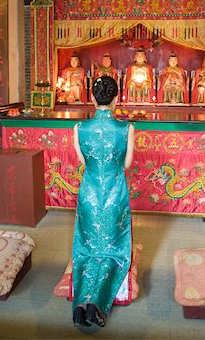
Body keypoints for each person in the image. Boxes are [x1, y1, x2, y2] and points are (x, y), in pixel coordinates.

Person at [72, 76, 135, 328]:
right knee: (113, 249)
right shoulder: (126, 129)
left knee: (86, 249)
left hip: (88, 194)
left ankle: (80, 305)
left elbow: (83, 162)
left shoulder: (79, 128)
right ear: (116, 99)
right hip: (114, 195)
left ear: (92, 97)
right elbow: (127, 164)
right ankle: (97, 305)